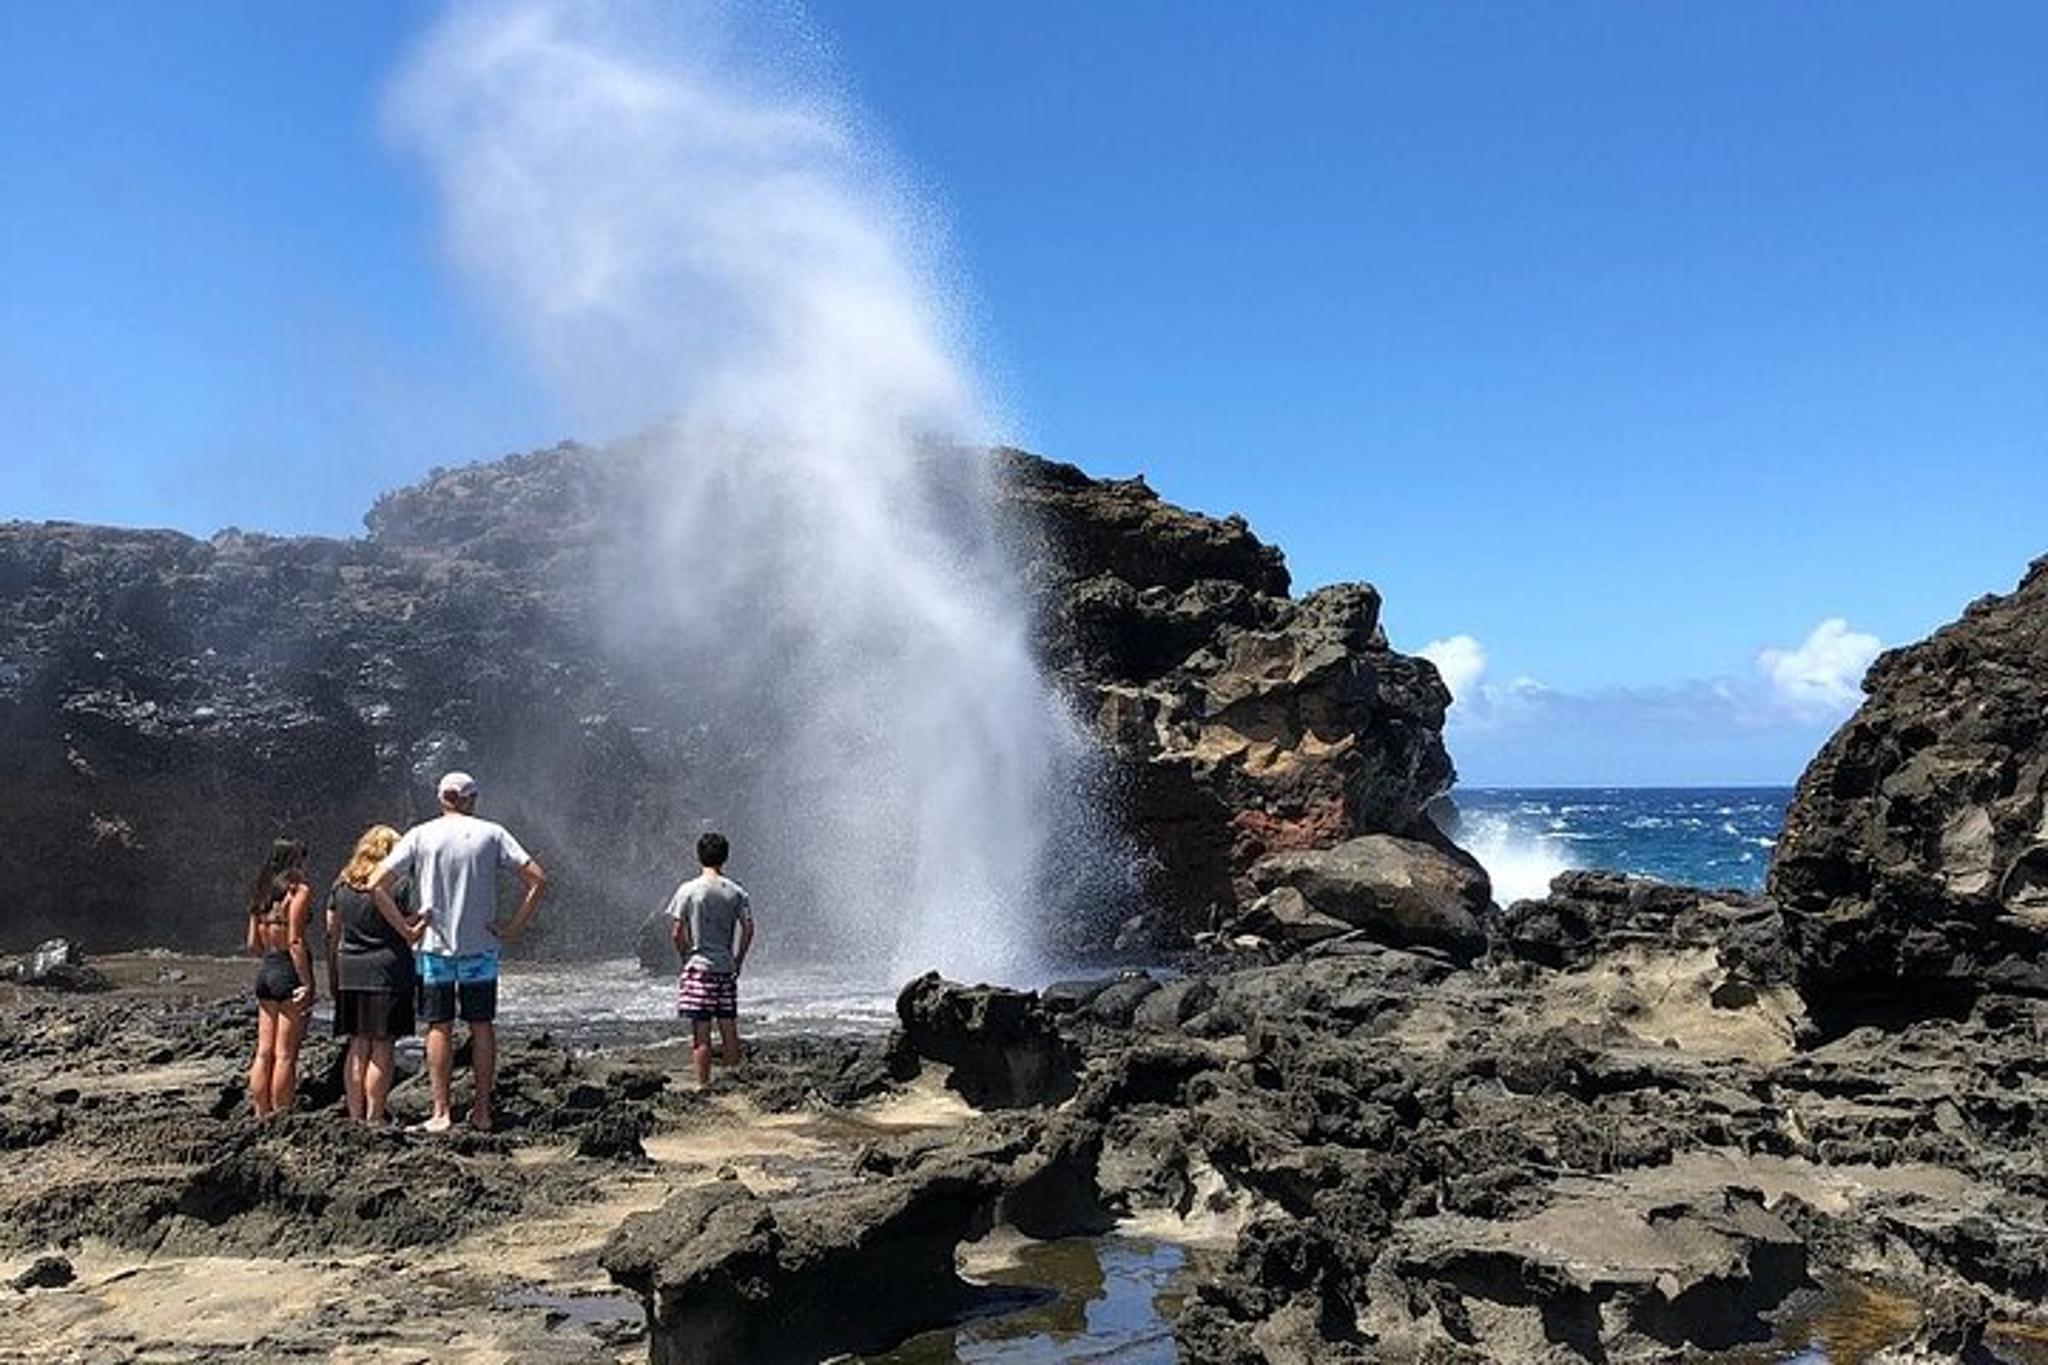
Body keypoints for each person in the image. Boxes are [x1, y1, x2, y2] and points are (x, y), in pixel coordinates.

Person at [371, 771, 545, 1134]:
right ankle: (482, 1111)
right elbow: (537, 879)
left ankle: (441, 1111)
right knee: (481, 1026)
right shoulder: (492, 833)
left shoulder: (421, 834)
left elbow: (375, 884)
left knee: (438, 1026)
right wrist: (513, 927)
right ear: (470, 799)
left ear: (442, 798)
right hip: (481, 947)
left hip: (434, 948)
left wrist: (406, 928)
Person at [325, 824, 424, 1125]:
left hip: (351, 968)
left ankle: (355, 1115)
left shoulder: (341, 885)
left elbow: (331, 932)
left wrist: (332, 972)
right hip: (388, 969)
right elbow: (409, 929)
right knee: (383, 1045)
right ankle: (374, 1116)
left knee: (357, 1043)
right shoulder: (400, 885)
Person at [665, 831, 755, 1090]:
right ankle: (734, 1085)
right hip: (725, 968)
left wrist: (685, 956)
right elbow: (749, 928)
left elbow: (676, 932)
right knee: (729, 1029)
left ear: (698, 856)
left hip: (698, 967)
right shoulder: (737, 892)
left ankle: (703, 1086)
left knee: (701, 1034)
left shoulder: (687, 890)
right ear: (725, 857)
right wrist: (738, 959)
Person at [245, 837, 314, 1118]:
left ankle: (261, 1112)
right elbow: (296, 940)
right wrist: (306, 982)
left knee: (264, 1051)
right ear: (295, 861)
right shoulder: (298, 891)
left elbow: (252, 943)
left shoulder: (260, 892)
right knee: (285, 1054)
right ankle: (281, 1114)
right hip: (288, 969)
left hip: (267, 968)